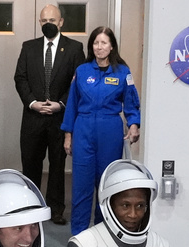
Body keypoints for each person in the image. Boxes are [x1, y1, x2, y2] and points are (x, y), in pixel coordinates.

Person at [61, 26, 141, 235]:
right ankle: (79, 235)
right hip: (83, 130)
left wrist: (133, 124)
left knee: (106, 185)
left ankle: (103, 233)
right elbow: (72, 105)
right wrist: (68, 135)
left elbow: (131, 103)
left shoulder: (123, 72)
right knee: (81, 186)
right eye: (96, 43)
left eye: (103, 42)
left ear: (112, 46)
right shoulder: (82, 71)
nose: (99, 47)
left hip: (110, 131)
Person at [14, 5, 85, 226]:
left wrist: (61, 104)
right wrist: (33, 103)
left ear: (61, 22)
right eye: (44, 21)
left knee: (57, 165)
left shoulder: (74, 48)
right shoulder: (29, 47)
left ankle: (55, 209)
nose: (48, 24)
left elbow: (78, 82)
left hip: (59, 118)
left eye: (52, 20)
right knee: (31, 164)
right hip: (33, 117)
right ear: (39, 22)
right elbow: (20, 78)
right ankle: (32, 206)